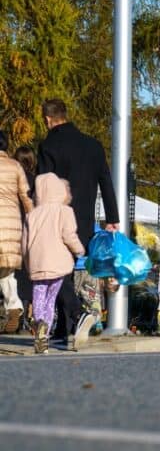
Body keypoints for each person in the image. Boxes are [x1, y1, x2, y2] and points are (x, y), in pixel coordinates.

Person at [37, 99, 119, 338]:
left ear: (48, 119)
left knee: (55, 270)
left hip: (57, 218)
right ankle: (65, 327)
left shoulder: (49, 145)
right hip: (84, 220)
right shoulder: (93, 145)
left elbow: (44, 184)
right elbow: (106, 180)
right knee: (68, 270)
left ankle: (76, 313)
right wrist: (112, 217)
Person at [23, 173, 86, 354]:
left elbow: (24, 242)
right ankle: (46, 329)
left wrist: (28, 263)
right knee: (51, 298)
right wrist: (79, 250)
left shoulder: (32, 215)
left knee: (39, 294)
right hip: (58, 263)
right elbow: (69, 235)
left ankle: (39, 324)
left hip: (38, 262)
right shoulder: (65, 211)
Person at [0, 132, 33, 334]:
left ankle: (12, 306)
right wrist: (34, 218)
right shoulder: (15, 166)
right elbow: (26, 196)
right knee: (6, 271)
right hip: (12, 225)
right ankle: (13, 306)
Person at [12, 146, 37, 333]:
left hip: (12, 229)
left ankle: (14, 313)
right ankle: (27, 315)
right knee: (28, 276)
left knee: (12, 275)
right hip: (30, 232)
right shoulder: (36, 181)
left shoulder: (12, 180)